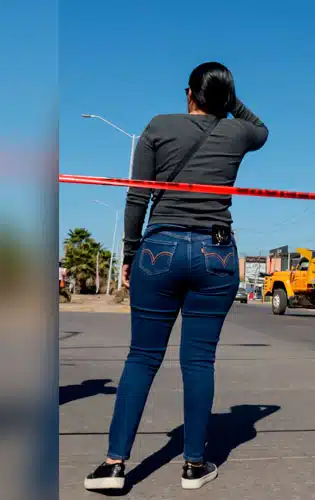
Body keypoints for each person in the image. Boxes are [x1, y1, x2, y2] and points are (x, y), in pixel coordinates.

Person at [84, 61, 268, 492]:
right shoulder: (236, 131)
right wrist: (229, 101)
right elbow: (261, 129)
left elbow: (137, 196)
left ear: (188, 93)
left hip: (160, 248)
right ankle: (194, 465)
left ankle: (114, 465)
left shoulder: (158, 126)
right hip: (216, 252)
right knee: (199, 360)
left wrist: (130, 253)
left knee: (142, 357)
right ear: (225, 97)